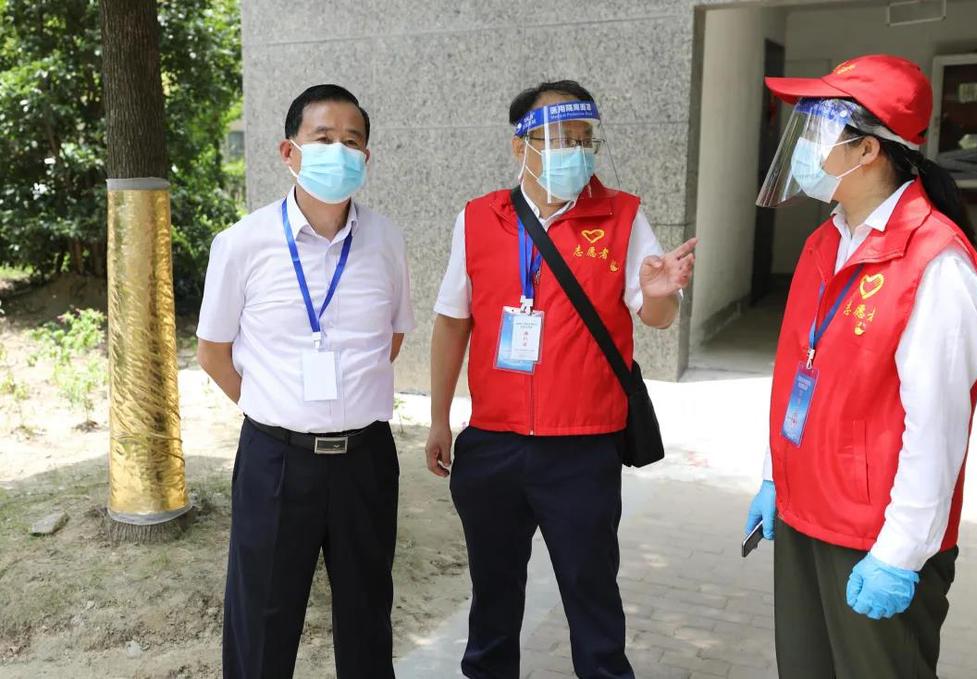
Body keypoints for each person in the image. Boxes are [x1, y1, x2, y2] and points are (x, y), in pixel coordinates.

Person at [425, 79, 696, 679]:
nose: (573, 151)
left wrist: (660, 293)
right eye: (557, 139)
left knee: (590, 592)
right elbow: (451, 322)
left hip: (582, 446)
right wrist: (440, 418)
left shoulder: (622, 215)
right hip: (493, 442)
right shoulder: (478, 219)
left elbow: (655, 314)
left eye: (582, 139)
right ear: (519, 147)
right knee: (493, 594)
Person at [744, 55, 977, 677]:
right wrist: (776, 475)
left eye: (818, 132)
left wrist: (901, 553)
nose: (804, 148)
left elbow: (937, 430)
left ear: (868, 150)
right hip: (804, 512)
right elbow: (802, 376)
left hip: (872, 539)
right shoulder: (826, 240)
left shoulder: (935, 264)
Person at [196, 84, 414, 679]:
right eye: (323, 138)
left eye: (352, 141)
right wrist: (276, 407)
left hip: (366, 461)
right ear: (288, 151)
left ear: (366, 158)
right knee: (262, 621)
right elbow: (213, 352)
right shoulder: (242, 243)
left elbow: (392, 338)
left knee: (368, 616)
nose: (338, 151)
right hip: (276, 461)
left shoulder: (387, 240)